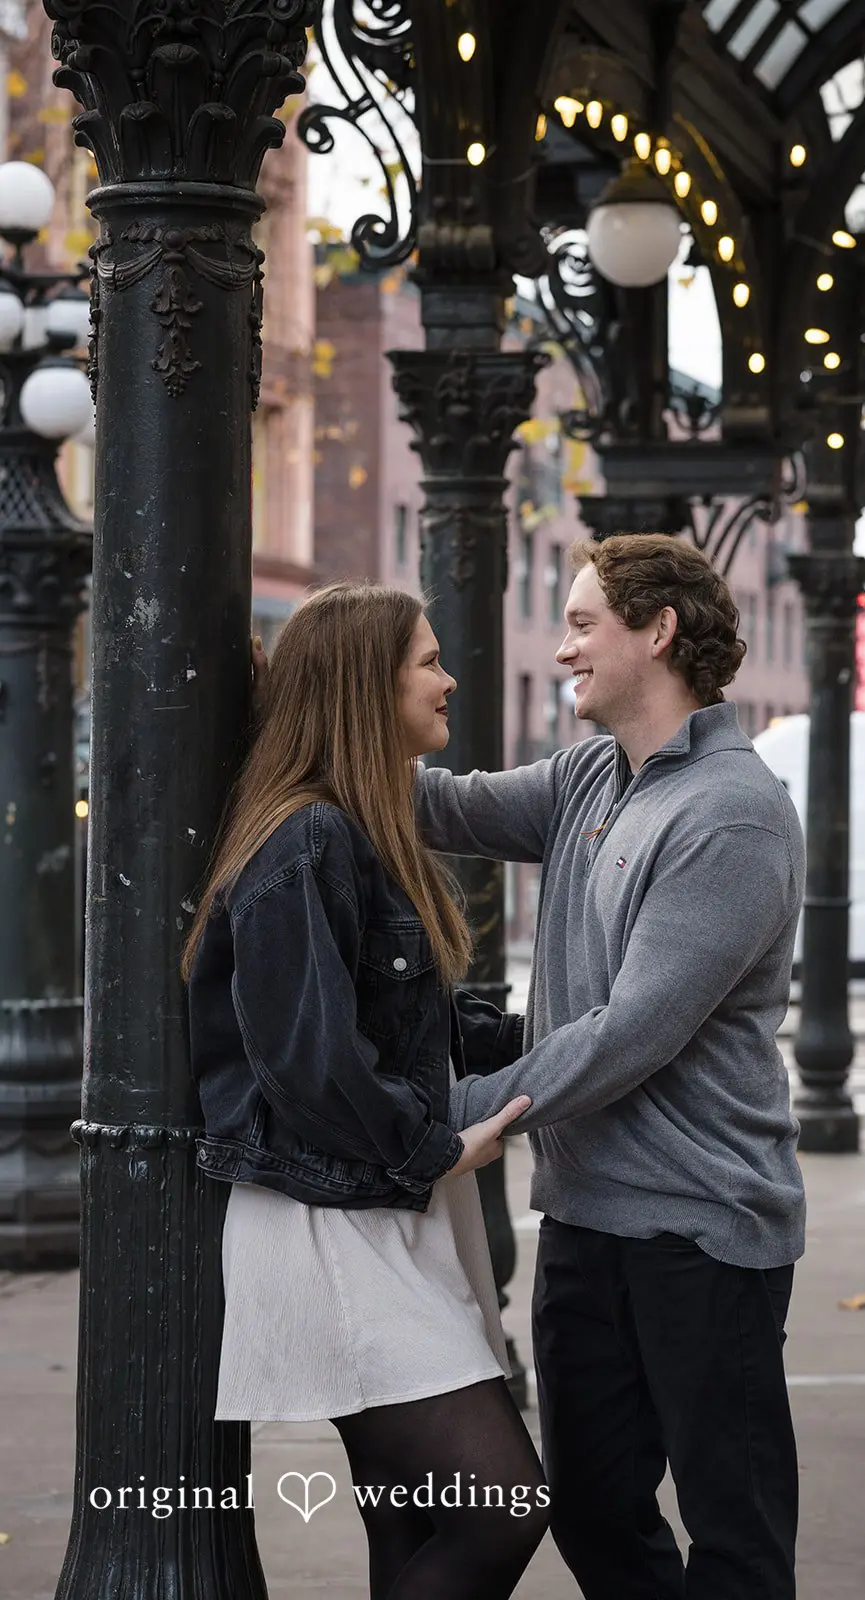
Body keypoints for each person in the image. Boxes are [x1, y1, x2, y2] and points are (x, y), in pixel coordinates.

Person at [415, 533, 807, 1600]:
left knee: (734, 1533)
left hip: (700, 1229)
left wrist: (446, 1114)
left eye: (583, 623)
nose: (560, 648)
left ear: (657, 629)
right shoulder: (594, 775)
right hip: (588, 1220)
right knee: (590, 1508)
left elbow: (630, 1033)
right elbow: (437, 808)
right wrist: (303, 731)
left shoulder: (729, 811)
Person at [183, 583, 549, 1600]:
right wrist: (433, 1148)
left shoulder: (354, 832)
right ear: (361, 685)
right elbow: (309, 1058)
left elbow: (412, 1026)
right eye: (426, 661)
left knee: (415, 1523)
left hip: (373, 1207)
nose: (448, 677)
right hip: (328, 1221)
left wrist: (566, 1040)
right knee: (501, 1503)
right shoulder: (307, 840)